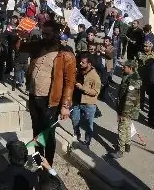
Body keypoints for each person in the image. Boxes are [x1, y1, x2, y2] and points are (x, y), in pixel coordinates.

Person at [20, 26, 76, 166]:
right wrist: (19, 35)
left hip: (50, 101)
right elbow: (20, 47)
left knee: (48, 134)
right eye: (43, 33)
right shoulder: (39, 46)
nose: (44, 36)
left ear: (56, 34)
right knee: (36, 132)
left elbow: (70, 82)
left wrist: (65, 106)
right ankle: (39, 162)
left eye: (47, 33)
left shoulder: (66, 54)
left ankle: (48, 165)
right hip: (34, 97)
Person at [110, 59, 142, 159]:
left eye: (125, 67)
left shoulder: (133, 80)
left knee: (122, 129)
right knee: (127, 127)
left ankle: (120, 150)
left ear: (131, 68)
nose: (123, 68)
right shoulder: (128, 75)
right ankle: (127, 145)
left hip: (126, 109)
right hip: (126, 108)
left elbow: (130, 99)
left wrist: (123, 113)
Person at [71, 53, 100, 148]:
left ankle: (87, 142)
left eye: (83, 63)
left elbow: (96, 91)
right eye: (80, 61)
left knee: (88, 124)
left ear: (89, 64)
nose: (80, 63)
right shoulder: (79, 71)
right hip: (77, 101)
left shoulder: (95, 76)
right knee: (75, 119)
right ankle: (77, 134)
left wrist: (83, 88)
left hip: (89, 104)